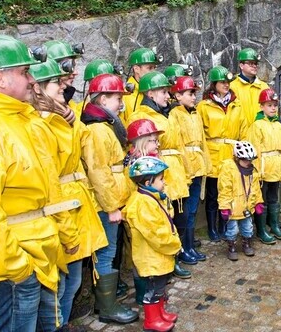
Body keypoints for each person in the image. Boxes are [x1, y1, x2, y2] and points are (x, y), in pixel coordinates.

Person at [0, 34, 64, 331]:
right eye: (24, 72)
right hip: (11, 269)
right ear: (0, 79)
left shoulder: (17, 119)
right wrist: (19, 268)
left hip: (33, 256)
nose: (33, 79)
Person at [29, 58, 108, 331]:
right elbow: (49, 179)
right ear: (38, 89)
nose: (64, 84)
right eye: (56, 82)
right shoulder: (40, 124)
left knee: (71, 280)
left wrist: (71, 118)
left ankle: (61, 324)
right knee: (59, 283)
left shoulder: (62, 116)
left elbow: (88, 141)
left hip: (75, 201)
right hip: (61, 206)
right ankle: (58, 326)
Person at [80, 74, 138, 325]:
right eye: (117, 98)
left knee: (110, 252)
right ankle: (107, 307)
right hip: (105, 204)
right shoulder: (96, 130)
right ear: (103, 99)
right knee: (106, 253)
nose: (121, 103)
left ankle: (108, 301)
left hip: (113, 198)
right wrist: (112, 206)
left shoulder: (104, 125)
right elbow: (98, 171)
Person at [128, 72, 194, 274]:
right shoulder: (141, 116)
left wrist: (187, 170)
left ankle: (176, 253)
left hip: (175, 170)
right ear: (150, 93)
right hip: (158, 171)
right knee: (164, 219)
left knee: (179, 217)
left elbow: (179, 143)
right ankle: (169, 260)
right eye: (164, 92)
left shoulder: (169, 114)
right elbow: (143, 149)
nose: (168, 96)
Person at [124, 156, 181, 332]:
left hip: (158, 254)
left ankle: (160, 313)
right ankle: (151, 320)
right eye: (161, 179)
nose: (164, 183)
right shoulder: (143, 202)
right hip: (152, 255)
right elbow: (156, 233)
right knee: (153, 288)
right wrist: (174, 244)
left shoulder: (151, 197)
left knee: (160, 286)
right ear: (148, 182)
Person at [197, 65, 248, 241]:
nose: (226, 85)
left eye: (228, 82)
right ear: (214, 83)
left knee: (229, 192)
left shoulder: (236, 105)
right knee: (212, 194)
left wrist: (242, 153)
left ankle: (225, 225)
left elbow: (243, 129)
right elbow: (200, 132)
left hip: (231, 154)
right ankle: (212, 228)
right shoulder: (204, 106)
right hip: (213, 154)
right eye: (222, 82)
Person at [168, 76, 212, 262]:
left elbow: (202, 141)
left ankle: (189, 245)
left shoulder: (195, 114)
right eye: (190, 93)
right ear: (178, 95)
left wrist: (206, 164)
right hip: (185, 168)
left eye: (194, 93)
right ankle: (182, 248)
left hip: (197, 166)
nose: (194, 97)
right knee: (183, 211)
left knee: (192, 208)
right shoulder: (175, 115)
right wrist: (185, 168)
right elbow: (178, 143)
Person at [247, 88, 281, 243]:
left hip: (276, 167)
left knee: (273, 197)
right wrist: (257, 171)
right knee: (261, 199)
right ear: (261, 106)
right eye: (269, 104)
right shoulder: (257, 125)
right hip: (264, 168)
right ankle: (261, 230)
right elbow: (255, 149)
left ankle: (274, 225)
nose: (273, 108)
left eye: (275, 105)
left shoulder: (278, 125)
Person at [218, 141, 264, 261]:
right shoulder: (228, 169)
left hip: (247, 207)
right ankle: (231, 246)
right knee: (232, 229)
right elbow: (224, 189)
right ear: (238, 158)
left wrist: (258, 202)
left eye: (250, 160)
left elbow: (256, 188)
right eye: (245, 160)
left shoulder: (252, 171)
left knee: (248, 227)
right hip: (233, 208)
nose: (248, 163)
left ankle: (246, 243)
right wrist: (224, 207)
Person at [42, 40, 85, 116]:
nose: (75, 72)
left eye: (73, 65)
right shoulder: (42, 111)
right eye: (68, 66)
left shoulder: (67, 98)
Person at [230, 48, 270, 127]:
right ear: (241, 65)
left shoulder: (264, 87)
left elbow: (272, 110)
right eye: (251, 63)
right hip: (241, 136)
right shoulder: (232, 87)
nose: (254, 66)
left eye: (255, 63)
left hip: (261, 133)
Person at [121, 48, 161, 126]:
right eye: (149, 68)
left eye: (154, 68)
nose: (154, 72)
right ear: (136, 69)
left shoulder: (159, 91)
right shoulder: (124, 94)